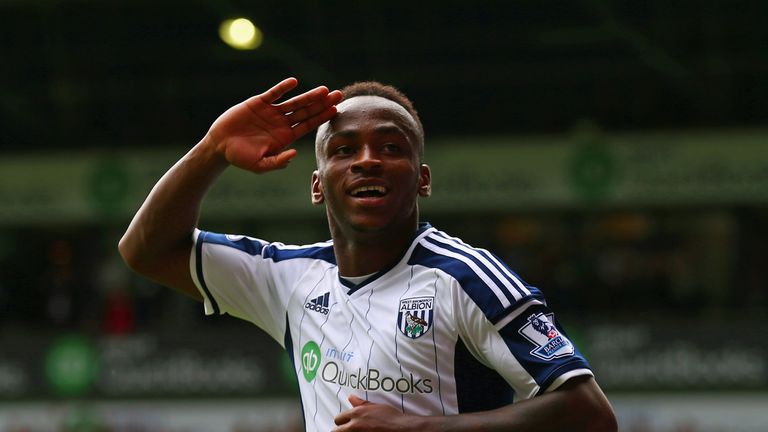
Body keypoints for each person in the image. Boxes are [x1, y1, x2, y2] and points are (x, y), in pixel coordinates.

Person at [119, 77, 617, 431]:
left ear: (422, 180)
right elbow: (145, 250)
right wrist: (211, 150)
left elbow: (588, 414)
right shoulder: (288, 278)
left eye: (391, 147)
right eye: (343, 150)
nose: (368, 160)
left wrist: (411, 429)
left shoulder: (466, 277)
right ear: (317, 186)